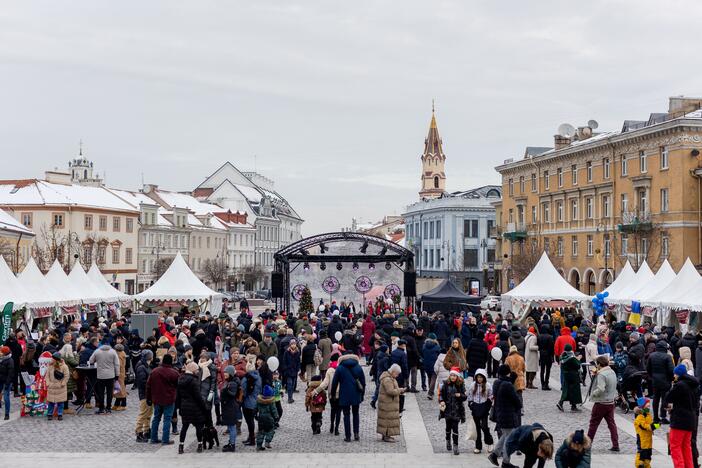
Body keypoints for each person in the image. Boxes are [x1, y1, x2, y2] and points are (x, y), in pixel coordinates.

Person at [664, 364, 699, 468]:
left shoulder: (679, 385)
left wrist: (673, 385)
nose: (674, 376)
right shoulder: (693, 384)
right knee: (686, 447)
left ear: (678, 374)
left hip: (679, 420)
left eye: (675, 374)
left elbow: (668, 398)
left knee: (675, 447)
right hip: (690, 420)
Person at [488, 364, 522, 467]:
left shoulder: (497, 383)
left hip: (500, 414)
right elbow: (516, 399)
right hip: (508, 415)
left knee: (505, 435)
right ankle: (505, 462)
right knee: (509, 439)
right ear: (507, 372)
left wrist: (510, 380)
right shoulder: (507, 385)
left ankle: (494, 454)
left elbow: (505, 389)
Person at [586, 355, 619, 452]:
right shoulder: (612, 371)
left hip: (601, 403)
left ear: (599, 364)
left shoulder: (602, 374)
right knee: (612, 424)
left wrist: (593, 394)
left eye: (597, 364)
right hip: (610, 402)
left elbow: (601, 388)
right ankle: (615, 444)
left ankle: (588, 444)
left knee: (593, 424)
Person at [331, 352, 365, 442]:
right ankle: (356, 434)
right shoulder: (358, 367)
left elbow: (334, 383)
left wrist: (333, 394)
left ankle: (348, 436)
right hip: (356, 394)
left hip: (344, 394)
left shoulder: (340, 368)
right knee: (356, 413)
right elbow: (363, 383)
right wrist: (362, 395)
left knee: (346, 415)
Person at [146, 353, 180, 445]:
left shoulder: (154, 371)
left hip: (157, 399)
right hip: (169, 399)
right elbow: (178, 386)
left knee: (156, 418)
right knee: (167, 419)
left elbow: (148, 386)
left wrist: (148, 398)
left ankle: (153, 438)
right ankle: (165, 440)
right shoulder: (174, 373)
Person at [177, 361, 209, 454]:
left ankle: (181, 446)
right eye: (197, 370)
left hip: (184, 407)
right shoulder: (193, 381)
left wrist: (179, 407)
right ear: (193, 370)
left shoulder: (180, 379)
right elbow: (198, 396)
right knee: (198, 427)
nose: (198, 371)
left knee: (184, 427)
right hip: (195, 407)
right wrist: (204, 407)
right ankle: (199, 445)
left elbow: (178, 396)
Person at [439, 366, 467, 455]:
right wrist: (442, 401)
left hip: (457, 411)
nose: (453, 377)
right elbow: (441, 395)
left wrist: (460, 396)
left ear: (457, 376)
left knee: (455, 429)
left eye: (454, 376)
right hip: (447, 411)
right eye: (451, 375)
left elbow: (465, 397)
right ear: (449, 376)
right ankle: (448, 440)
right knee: (448, 428)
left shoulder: (461, 384)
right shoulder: (445, 384)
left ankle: (456, 445)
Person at [88, 341, 120, 415]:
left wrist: (97, 360)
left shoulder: (97, 351)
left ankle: (101, 408)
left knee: (100, 392)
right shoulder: (113, 351)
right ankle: (108, 408)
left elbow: (91, 361)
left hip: (100, 375)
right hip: (110, 375)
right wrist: (117, 375)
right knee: (109, 393)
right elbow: (117, 364)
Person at [647, 340, 674, 425]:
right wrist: (671, 379)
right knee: (664, 399)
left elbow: (648, 368)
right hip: (665, 381)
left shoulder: (652, 356)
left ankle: (655, 417)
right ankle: (663, 417)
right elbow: (671, 370)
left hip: (655, 380)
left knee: (655, 399)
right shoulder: (667, 357)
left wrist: (652, 376)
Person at [467, 368, 493, 454]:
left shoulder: (488, 385)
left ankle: (489, 442)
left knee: (484, 427)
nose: (479, 379)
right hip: (475, 408)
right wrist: (471, 405)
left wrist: (487, 405)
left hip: (484, 407)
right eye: (478, 377)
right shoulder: (472, 385)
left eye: (481, 377)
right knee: (477, 428)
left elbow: (491, 396)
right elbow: (470, 396)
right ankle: (478, 446)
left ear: (484, 377)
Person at [376, 363, 404, 443]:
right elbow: (390, 391)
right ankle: (386, 436)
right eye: (397, 373)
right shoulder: (388, 379)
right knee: (387, 419)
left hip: (388, 403)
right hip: (387, 404)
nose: (398, 375)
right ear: (393, 371)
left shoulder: (390, 378)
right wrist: (400, 390)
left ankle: (386, 435)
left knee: (387, 419)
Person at [220, 365, 242, 452]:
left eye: (227, 372)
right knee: (230, 426)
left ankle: (232, 445)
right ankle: (230, 442)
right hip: (228, 407)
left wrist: (225, 390)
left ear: (231, 373)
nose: (225, 374)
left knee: (232, 427)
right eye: (224, 372)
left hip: (231, 407)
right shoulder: (229, 381)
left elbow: (233, 394)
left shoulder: (232, 383)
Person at [241, 363, 262, 446]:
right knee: (251, 421)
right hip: (256, 401)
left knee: (249, 422)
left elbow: (243, 391)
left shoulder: (246, 378)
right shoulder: (259, 377)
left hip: (247, 403)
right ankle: (251, 438)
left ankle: (252, 439)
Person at [556, 344, 582, 412]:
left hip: (566, 375)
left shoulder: (562, 356)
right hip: (573, 375)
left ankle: (561, 403)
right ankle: (573, 406)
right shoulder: (571, 358)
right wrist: (578, 359)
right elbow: (578, 365)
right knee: (574, 391)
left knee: (567, 390)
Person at [46, 352, 69, 421]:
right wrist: (48, 383)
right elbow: (47, 376)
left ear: (56, 359)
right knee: (51, 402)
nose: (51, 359)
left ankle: (60, 414)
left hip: (60, 387)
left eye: (52, 358)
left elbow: (66, 376)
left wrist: (63, 383)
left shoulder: (64, 366)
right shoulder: (50, 366)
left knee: (60, 402)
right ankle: (50, 414)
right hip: (51, 386)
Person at [255, 385, 278, 450]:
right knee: (271, 430)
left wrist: (255, 415)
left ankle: (259, 445)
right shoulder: (271, 401)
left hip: (261, 417)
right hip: (269, 418)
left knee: (261, 431)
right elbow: (274, 410)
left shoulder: (259, 400)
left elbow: (255, 408)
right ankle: (267, 442)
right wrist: (276, 417)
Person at [633, 398, 654, 468]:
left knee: (648, 453)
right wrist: (652, 426)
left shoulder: (648, 416)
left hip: (649, 439)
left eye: (649, 406)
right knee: (641, 452)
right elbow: (644, 426)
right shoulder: (639, 417)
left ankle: (647, 464)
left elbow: (651, 424)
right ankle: (639, 464)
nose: (649, 408)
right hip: (642, 439)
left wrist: (656, 424)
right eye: (647, 406)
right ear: (642, 407)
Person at [391, 339, 409, 412]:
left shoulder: (393, 352)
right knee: (401, 391)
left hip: (393, 374)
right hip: (400, 375)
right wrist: (406, 375)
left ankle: (394, 405)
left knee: (394, 389)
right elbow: (404, 366)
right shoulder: (403, 354)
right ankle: (400, 407)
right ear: (403, 345)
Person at [423, 333, 441, 399]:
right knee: (433, 378)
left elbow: (422, 353)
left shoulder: (424, 345)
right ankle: (430, 393)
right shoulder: (437, 346)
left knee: (429, 377)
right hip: (434, 364)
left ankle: (431, 392)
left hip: (426, 364)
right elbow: (439, 354)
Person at [282, 340, 300, 404]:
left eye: (294, 344)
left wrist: (298, 368)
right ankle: (289, 398)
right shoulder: (287, 352)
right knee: (289, 384)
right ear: (290, 345)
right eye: (292, 344)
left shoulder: (297, 352)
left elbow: (298, 361)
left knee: (292, 385)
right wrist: (286, 368)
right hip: (288, 371)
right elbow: (284, 361)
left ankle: (291, 397)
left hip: (294, 371)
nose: (293, 345)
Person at [537, 324, 554, 390]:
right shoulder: (550, 337)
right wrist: (552, 356)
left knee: (542, 370)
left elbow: (538, 345)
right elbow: (552, 347)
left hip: (541, 354)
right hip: (548, 354)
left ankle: (542, 384)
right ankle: (546, 383)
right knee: (548, 370)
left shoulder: (539, 336)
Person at [113, 344, 128, 411]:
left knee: (120, 389)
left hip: (119, 373)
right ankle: (117, 403)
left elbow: (118, 365)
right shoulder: (122, 353)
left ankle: (123, 404)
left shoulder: (118, 355)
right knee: (118, 388)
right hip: (121, 373)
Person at [0, 345, 14, 420]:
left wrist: (7, 384)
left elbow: (10, 374)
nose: (0, 353)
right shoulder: (1, 359)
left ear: (4, 353)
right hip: (0, 380)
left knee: (6, 397)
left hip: (7, 382)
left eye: (1, 352)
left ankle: (7, 414)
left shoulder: (10, 361)